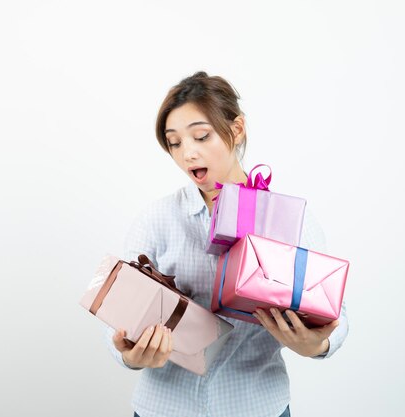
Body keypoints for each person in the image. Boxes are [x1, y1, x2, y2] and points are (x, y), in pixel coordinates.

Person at [106, 71, 348, 417]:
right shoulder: (156, 219)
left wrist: (318, 344)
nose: (187, 153)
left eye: (201, 136)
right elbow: (115, 318)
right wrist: (128, 353)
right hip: (164, 408)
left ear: (236, 130)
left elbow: (338, 313)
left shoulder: (289, 218)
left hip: (257, 406)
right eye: (174, 143)